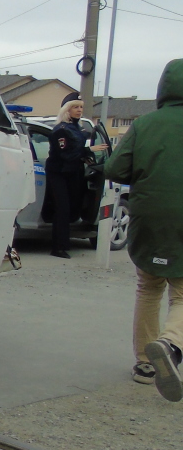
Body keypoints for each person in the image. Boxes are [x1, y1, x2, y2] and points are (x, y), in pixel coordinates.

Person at [107, 58, 183, 401]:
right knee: (182, 293)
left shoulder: (145, 124)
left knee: (148, 288)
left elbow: (116, 168)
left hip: (148, 216)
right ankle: (170, 344)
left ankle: (144, 365)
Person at [44, 92, 103, 258]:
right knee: (62, 209)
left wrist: (88, 158)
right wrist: (88, 150)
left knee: (71, 209)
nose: (79, 110)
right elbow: (66, 154)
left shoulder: (77, 128)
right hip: (59, 173)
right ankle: (58, 247)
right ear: (67, 110)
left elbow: (75, 152)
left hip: (72, 172)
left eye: (81, 107)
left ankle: (64, 243)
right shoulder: (61, 131)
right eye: (75, 107)